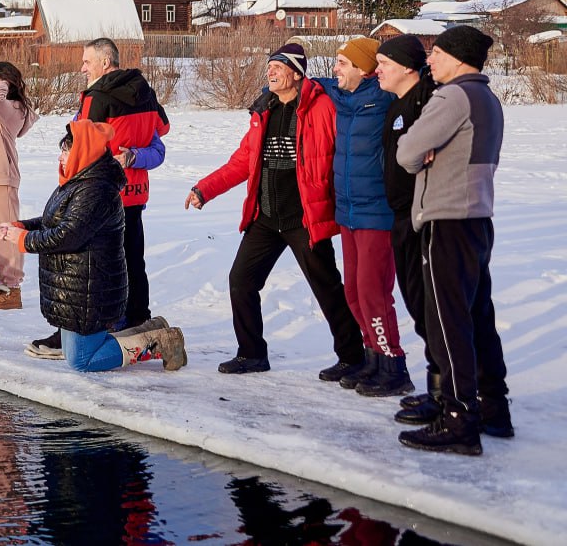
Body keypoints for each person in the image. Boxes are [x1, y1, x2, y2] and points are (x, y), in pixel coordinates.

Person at [185, 42, 363, 375]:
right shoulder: (264, 110)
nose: (271, 72)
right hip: (265, 216)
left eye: (279, 66)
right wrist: (204, 189)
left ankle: (353, 357)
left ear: (297, 74)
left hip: (304, 217)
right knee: (241, 280)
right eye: (270, 66)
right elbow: (242, 162)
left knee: (326, 287)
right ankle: (251, 353)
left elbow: (347, 151)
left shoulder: (322, 108)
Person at [396, 25, 511, 455]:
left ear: (459, 58)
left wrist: (419, 149)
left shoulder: (451, 97)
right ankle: (493, 408)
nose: (430, 61)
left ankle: (459, 419)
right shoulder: (488, 98)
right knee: (479, 317)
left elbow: (406, 152)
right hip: (478, 217)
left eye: (437, 54)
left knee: (448, 322)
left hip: (446, 218)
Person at [0, 121, 185, 372]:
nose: (60, 157)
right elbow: (54, 221)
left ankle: (160, 341)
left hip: (91, 286)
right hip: (77, 284)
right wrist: (20, 225)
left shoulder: (96, 190)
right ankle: (151, 330)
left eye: (66, 151)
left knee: (82, 360)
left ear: (83, 152)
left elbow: (68, 235)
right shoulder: (79, 181)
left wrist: (21, 239)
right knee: (75, 350)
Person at [28, 38, 168, 358]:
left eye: (87, 62)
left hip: (98, 192)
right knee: (131, 259)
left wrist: (70, 176)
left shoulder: (97, 96)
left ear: (105, 63)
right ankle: (137, 320)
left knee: (90, 266)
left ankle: (81, 331)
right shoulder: (144, 92)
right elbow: (159, 145)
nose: (82, 68)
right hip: (134, 193)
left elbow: (83, 146)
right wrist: (134, 156)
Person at [314, 36, 412, 397]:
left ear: (363, 68)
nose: (335, 68)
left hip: (377, 212)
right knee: (354, 292)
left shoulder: (385, 98)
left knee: (374, 293)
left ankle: (393, 363)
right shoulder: (343, 97)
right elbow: (319, 83)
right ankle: (372, 357)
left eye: (342, 62)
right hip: (348, 210)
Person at [375, 35, 442, 424]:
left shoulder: (426, 101)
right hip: (399, 214)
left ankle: (444, 392)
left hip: (423, 216)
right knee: (416, 303)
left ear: (406, 66)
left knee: (430, 305)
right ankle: (436, 386)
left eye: (384, 62)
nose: (378, 69)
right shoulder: (397, 104)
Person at [0, 61, 39, 311]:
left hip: (3, 174)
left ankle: (12, 287)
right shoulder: (3, 107)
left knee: (5, 232)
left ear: (6, 81)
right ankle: (3, 283)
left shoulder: (13, 107)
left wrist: (1, 84)